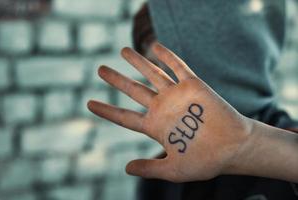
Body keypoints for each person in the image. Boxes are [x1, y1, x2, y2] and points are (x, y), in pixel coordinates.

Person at [88, 0, 298, 200]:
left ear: (225, 59)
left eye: (173, 68)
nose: (161, 89)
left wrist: (247, 144)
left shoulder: (287, 147)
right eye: (155, 71)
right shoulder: (160, 176)